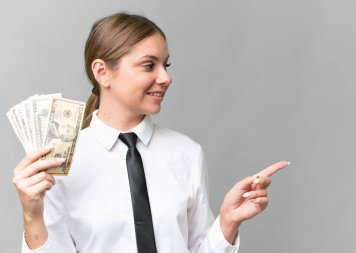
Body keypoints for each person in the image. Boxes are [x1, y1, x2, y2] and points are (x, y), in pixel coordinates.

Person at [13, 12, 289, 253]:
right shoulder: (59, 161)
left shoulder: (186, 153)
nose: (166, 78)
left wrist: (228, 221)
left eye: (165, 65)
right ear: (102, 72)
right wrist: (32, 214)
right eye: (149, 65)